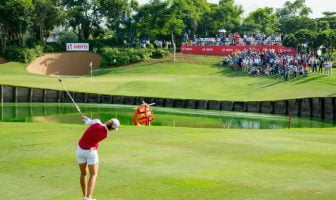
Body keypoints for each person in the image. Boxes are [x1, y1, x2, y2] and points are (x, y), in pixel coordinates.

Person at [77, 115, 120, 200]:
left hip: (80, 150)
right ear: (113, 129)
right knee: (93, 174)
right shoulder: (106, 135)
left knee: (83, 174)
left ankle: (84, 197)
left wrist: (85, 119)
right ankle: (88, 198)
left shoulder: (97, 122)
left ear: (108, 121)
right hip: (91, 152)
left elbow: (88, 122)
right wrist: (87, 120)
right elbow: (91, 123)